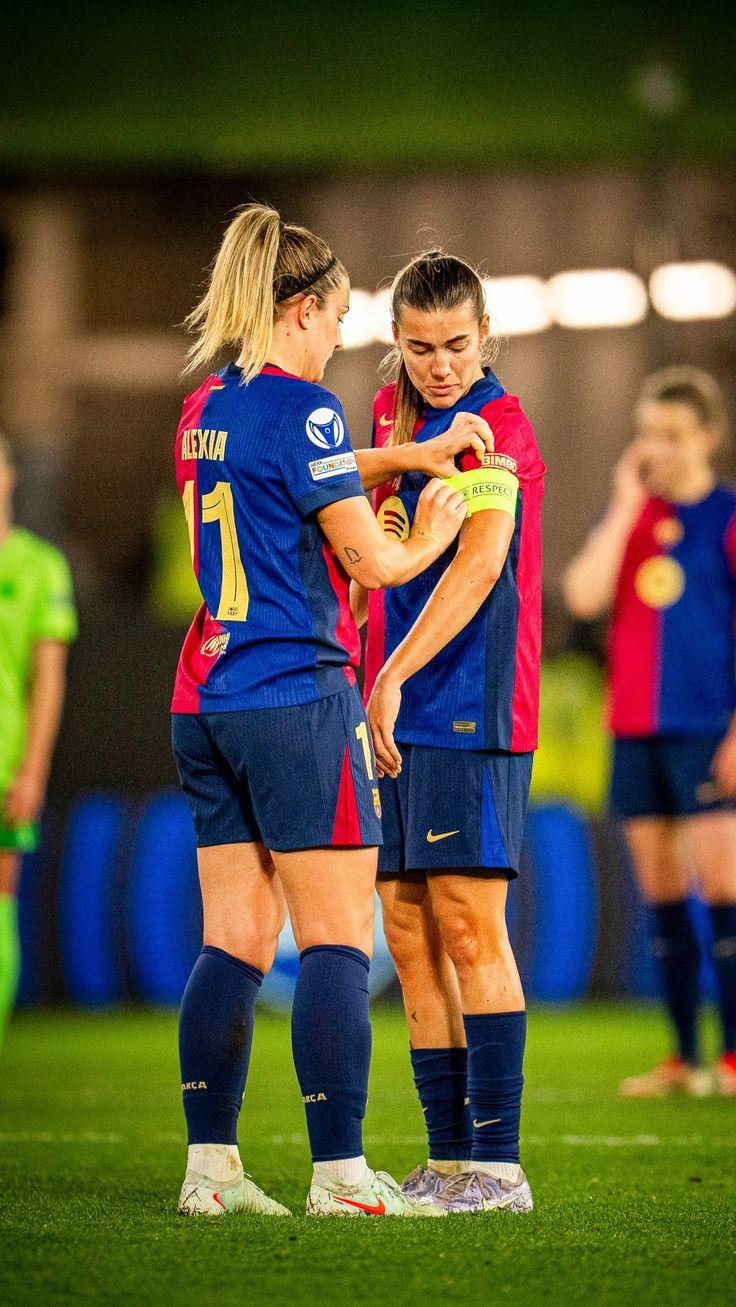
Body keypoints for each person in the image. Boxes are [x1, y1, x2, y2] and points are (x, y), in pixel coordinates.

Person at [171, 205, 483, 1219]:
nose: (342, 334)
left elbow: (287, 483)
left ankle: (210, 1173)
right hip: (297, 693)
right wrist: (434, 523)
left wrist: (400, 459)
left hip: (205, 690)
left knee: (233, 940)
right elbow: (373, 559)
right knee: (341, 934)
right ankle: (341, 1174)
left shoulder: (204, 407)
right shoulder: (304, 410)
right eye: (339, 316)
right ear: (301, 308)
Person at [352, 250, 545, 1213]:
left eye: (457, 345)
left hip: (468, 705)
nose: (440, 365)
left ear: (485, 335)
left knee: (470, 922)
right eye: (421, 346)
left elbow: (477, 569)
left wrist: (388, 674)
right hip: (395, 711)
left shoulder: (496, 430)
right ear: (396, 340)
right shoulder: (396, 419)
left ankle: (500, 1167)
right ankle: (447, 1160)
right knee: (409, 927)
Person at [564, 366, 736, 1098]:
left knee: (722, 890)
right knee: (661, 896)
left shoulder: (727, 516)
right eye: (648, 434)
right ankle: (680, 1057)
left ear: (708, 435)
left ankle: (731, 1057)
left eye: (672, 435)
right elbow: (581, 594)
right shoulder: (631, 518)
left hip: (707, 728)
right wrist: (623, 503)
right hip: (633, 726)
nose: (657, 448)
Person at [0, 435, 77, 1046]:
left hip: (6, 755)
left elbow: (47, 681)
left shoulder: (39, 565)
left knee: (3, 893)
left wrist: (32, 769)